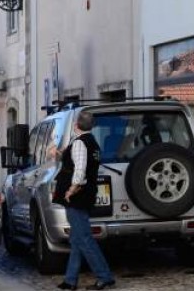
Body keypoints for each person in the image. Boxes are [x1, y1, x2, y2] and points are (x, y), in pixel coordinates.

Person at [52, 112, 116, 290]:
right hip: (84, 194)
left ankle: (104, 276)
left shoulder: (80, 142)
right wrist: (58, 154)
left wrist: (71, 189)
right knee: (77, 239)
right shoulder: (92, 143)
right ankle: (70, 280)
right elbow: (77, 162)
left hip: (77, 195)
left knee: (84, 238)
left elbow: (80, 169)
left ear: (76, 124)